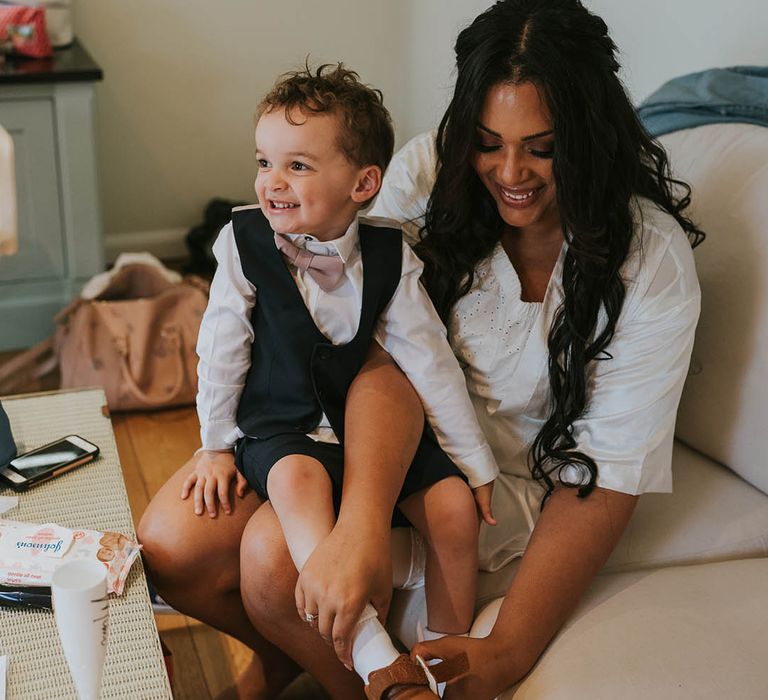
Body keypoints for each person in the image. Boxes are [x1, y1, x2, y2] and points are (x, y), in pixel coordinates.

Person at [138, 1, 703, 698]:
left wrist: (508, 647)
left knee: (268, 553)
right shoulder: (433, 174)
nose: (511, 171)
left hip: (501, 489)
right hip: (380, 435)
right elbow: (378, 359)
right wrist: (363, 520)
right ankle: (288, 656)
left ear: (588, 136)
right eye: (488, 142)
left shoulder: (650, 262)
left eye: (543, 146)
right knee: (172, 540)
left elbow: (606, 479)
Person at [169, 64, 499, 698]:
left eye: (298, 166)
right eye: (265, 162)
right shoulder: (242, 242)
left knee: (456, 509)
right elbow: (221, 349)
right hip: (282, 428)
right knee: (298, 479)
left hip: (365, 431)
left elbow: (430, 360)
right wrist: (214, 444)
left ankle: (442, 663)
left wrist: (473, 462)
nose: (272, 183)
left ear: (363, 183)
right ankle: (376, 653)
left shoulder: (389, 256)